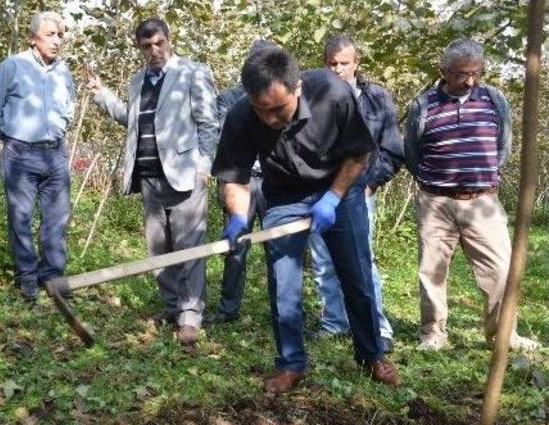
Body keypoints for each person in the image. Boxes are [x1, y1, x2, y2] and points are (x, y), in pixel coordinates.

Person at [214, 45, 401, 393]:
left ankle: (371, 354)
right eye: (261, 110)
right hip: (285, 195)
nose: (269, 119)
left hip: (340, 188)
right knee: (283, 283)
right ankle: (291, 363)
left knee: (356, 275)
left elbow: (359, 154)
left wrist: (333, 198)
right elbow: (234, 177)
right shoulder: (242, 115)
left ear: (297, 87)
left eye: (277, 109)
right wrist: (238, 217)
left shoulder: (333, 93)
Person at [404, 38, 541, 351]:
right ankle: (433, 334)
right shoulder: (423, 105)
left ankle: (504, 333)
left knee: (500, 268)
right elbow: (412, 153)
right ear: (443, 71)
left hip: (483, 201)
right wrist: (436, 181)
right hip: (435, 200)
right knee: (432, 270)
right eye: (460, 73)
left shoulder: (495, 100)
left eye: (475, 73)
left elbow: (502, 148)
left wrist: (479, 175)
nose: (468, 80)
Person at [87, 18, 219, 345]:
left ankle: (190, 317)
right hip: (148, 175)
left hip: (185, 174)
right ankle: (174, 306)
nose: (154, 51)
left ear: (169, 40)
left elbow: (208, 123)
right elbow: (129, 118)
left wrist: (204, 165)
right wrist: (102, 95)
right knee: (158, 248)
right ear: (139, 48)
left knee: (189, 246)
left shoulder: (192, 72)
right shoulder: (137, 81)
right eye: (147, 46)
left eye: (159, 43)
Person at [308, 35, 404, 352]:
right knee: (323, 262)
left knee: (363, 263)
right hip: (320, 195)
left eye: (344, 63)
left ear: (356, 63)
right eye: (331, 63)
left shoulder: (376, 98)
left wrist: (370, 185)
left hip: (359, 193)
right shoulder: (311, 95)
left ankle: (378, 328)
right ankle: (335, 322)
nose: (337, 69)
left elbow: (391, 149)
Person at [0, 11, 75, 303]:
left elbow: (69, 107)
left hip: (56, 154)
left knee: (57, 219)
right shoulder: (12, 66)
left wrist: (60, 128)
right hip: (20, 154)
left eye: (60, 35)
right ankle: (27, 278)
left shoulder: (63, 71)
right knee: (20, 217)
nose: (57, 41)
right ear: (33, 37)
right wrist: (10, 137)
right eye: (50, 34)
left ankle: (53, 276)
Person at [207, 39, 273, 325]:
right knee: (235, 246)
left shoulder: (281, 96)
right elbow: (227, 139)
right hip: (241, 183)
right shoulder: (229, 98)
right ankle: (228, 309)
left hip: (273, 183)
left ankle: (285, 310)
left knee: (279, 249)